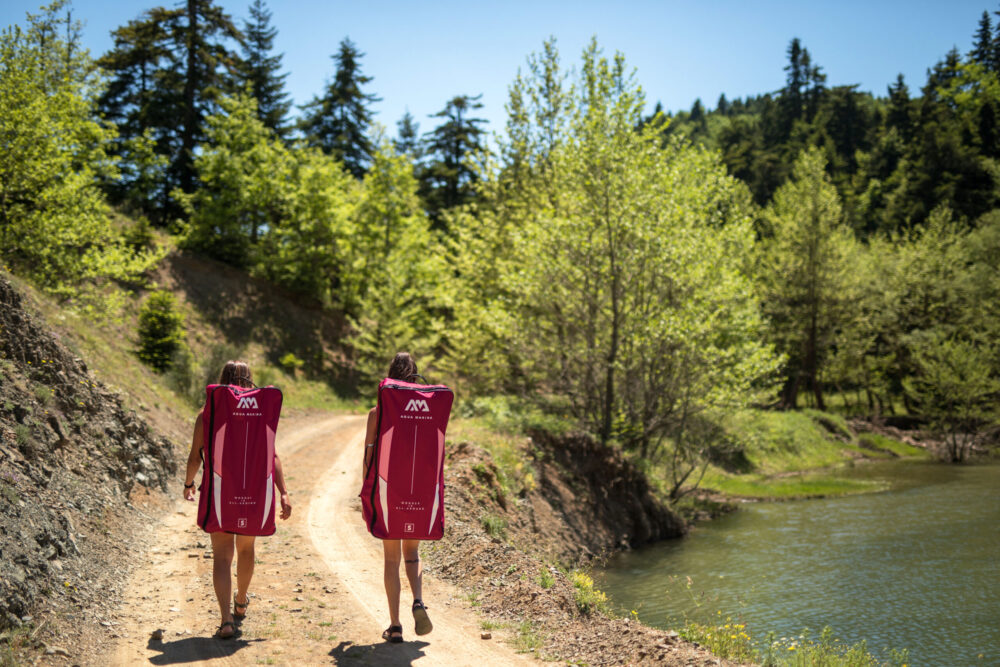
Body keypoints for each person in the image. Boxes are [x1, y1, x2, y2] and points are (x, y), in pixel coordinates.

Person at [182, 360, 292, 639]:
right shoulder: (261, 414)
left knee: (221, 557)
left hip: (219, 493)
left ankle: (226, 620)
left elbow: (196, 456)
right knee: (246, 550)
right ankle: (241, 601)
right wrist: (284, 492)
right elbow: (273, 455)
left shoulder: (208, 412)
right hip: (253, 493)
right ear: (249, 381)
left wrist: (188, 483)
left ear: (222, 381)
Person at [363, 352, 433, 643]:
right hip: (419, 491)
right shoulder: (427, 409)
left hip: (387, 490)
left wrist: (365, 489)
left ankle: (395, 625)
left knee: (390, 560)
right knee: (412, 555)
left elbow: (369, 455)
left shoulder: (377, 413)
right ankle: (418, 600)